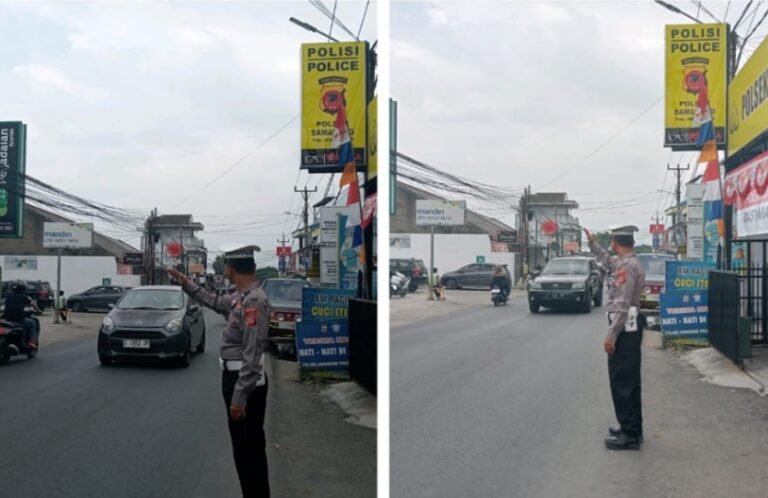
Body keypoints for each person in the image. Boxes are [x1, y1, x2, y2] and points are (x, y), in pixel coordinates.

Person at [168, 244, 271, 497]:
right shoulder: (240, 297)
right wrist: (185, 283)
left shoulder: (253, 300)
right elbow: (214, 301)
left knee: (249, 451)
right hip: (236, 378)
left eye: (224, 265)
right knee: (243, 450)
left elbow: (252, 354)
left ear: (230, 269)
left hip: (245, 382)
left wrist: (239, 397)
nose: (223, 269)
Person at [585, 225, 646, 451]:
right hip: (630, 327)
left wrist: (611, 336)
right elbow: (606, 260)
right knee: (630, 381)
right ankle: (631, 428)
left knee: (622, 380)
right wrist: (592, 243)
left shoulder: (626, 268)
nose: (610, 246)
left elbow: (621, 305)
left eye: (611, 242)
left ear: (616, 243)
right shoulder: (626, 263)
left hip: (624, 329)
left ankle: (629, 435)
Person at [3, 281, 40, 349]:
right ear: (23, 289)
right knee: (32, 323)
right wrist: (37, 309)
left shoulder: (8, 296)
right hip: (18, 320)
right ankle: (31, 342)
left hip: (7, 319)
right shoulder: (24, 297)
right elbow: (33, 304)